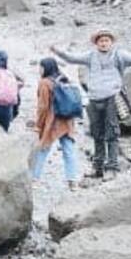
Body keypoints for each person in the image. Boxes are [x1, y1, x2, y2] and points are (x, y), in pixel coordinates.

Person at [51, 30, 131, 180]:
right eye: (101, 41)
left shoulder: (119, 55)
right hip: (94, 98)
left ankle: (112, 167)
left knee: (112, 132)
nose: (104, 43)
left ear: (111, 42)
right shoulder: (90, 56)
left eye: (107, 40)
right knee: (96, 133)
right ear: (96, 43)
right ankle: (98, 167)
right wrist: (57, 51)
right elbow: (72, 58)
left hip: (112, 97)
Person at [30, 57, 80, 191]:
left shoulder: (45, 83)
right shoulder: (63, 78)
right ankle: (72, 181)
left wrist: (38, 125)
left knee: (43, 149)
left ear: (45, 68)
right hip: (68, 120)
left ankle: (35, 179)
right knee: (69, 151)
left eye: (41, 67)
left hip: (53, 122)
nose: (39, 70)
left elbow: (43, 106)